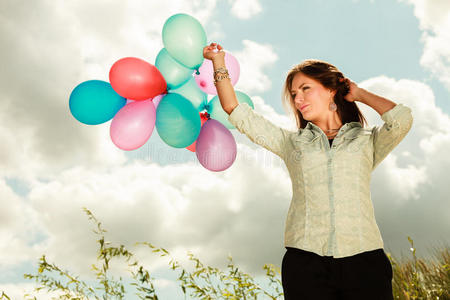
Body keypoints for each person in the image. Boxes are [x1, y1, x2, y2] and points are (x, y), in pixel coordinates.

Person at [203, 42, 413, 300]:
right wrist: (218, 61)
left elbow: (402, 120)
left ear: (331, 90)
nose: (297, 99)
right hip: (305, 263)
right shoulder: (291, 142)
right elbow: (235, 110)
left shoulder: (366, 141)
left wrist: (359, 94)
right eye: (293, 94)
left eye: (305, 89)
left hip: (364, 260)